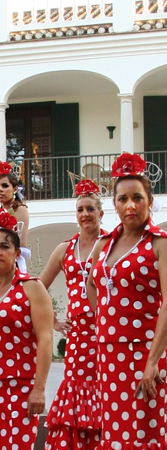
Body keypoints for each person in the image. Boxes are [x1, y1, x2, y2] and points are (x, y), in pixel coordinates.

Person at [87, 153, 167, 448]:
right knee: (116, 435)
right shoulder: (105, 244)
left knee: (145, 433)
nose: (130, 205)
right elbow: (92, 285)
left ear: (149, 200)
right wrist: (106, 320)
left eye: (137, 197)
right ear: (114, 204)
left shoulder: (159, 243)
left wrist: (153, 362)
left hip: (144, 354)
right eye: (122, 199)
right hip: (108, 356)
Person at [0, 208, 53, 450]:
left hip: (22, 388)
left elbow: (46, 339)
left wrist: (39, 387)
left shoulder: (31, 288)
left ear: (16, 253)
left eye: (5, 246)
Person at [41, 179, 103, 449]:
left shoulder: (112, 244)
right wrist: (53, 320)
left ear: (100, 213)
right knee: (77, 388)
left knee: (107, 388)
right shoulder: (65, 249)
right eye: (80, 209)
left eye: (90, 209)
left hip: (107, 332)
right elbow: (37, 289)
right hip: (78, 335)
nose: (85, 214)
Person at [0, 161, 30, 272]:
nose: (0, 190)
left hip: (14, 263)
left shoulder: (21, 210)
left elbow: (21, 244)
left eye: (5, 186)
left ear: (15, 189)